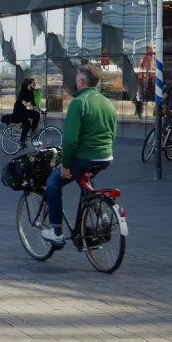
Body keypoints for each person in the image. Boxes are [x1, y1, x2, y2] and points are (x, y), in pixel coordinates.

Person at [42, 65, 116, 246]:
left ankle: (56, 233)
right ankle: (102, 214)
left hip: (84, 157)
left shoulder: (78, 103)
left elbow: (70, 140)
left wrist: (66, 164)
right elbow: (113, 132)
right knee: (85, 179)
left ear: (82, 82)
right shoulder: (107, 102)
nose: (75, 81)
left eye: (76, 79)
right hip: (105, 157)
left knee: (53, 183)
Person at [13, 78, 41, 147]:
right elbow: (23, 101)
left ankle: (33, 131)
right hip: (18, 110)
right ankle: (21, 142)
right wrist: (30, 106)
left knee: (36, 114)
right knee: (27, 124)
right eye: (33, 83)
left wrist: (39, 109)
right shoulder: (23, 90)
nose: (34, 85)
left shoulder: (31, 92)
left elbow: (34, 103)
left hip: (24, 110)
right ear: (29, 84)